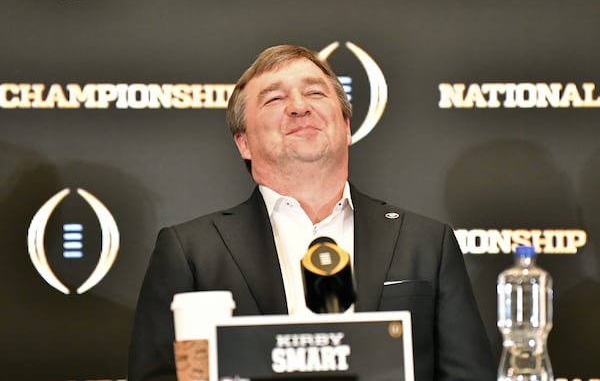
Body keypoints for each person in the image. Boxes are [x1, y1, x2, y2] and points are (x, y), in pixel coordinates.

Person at [128, 45, 496, 381]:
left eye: (315, 93)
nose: (299, 107)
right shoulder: (190, 251)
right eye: (274, 98)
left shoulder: (427, 243)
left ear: (347, 126)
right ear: (243, 142)